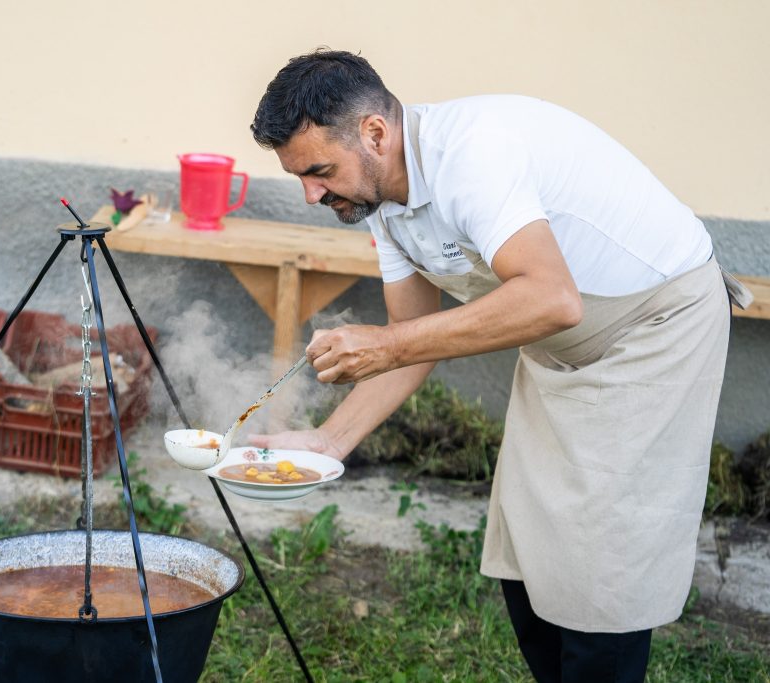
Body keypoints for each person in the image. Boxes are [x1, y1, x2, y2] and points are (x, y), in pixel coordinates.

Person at [248, 48, 752, 683]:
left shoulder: (473, 156)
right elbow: (411, 337)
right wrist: (327, 442)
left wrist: (387, 344)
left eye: (319, 171)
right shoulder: (381, 201)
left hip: (654, 329)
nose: (309, 192)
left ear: (375, 133)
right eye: (300, 176)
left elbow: (550, 298)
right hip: (560, 344)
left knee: (603, 572)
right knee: (527, 558)